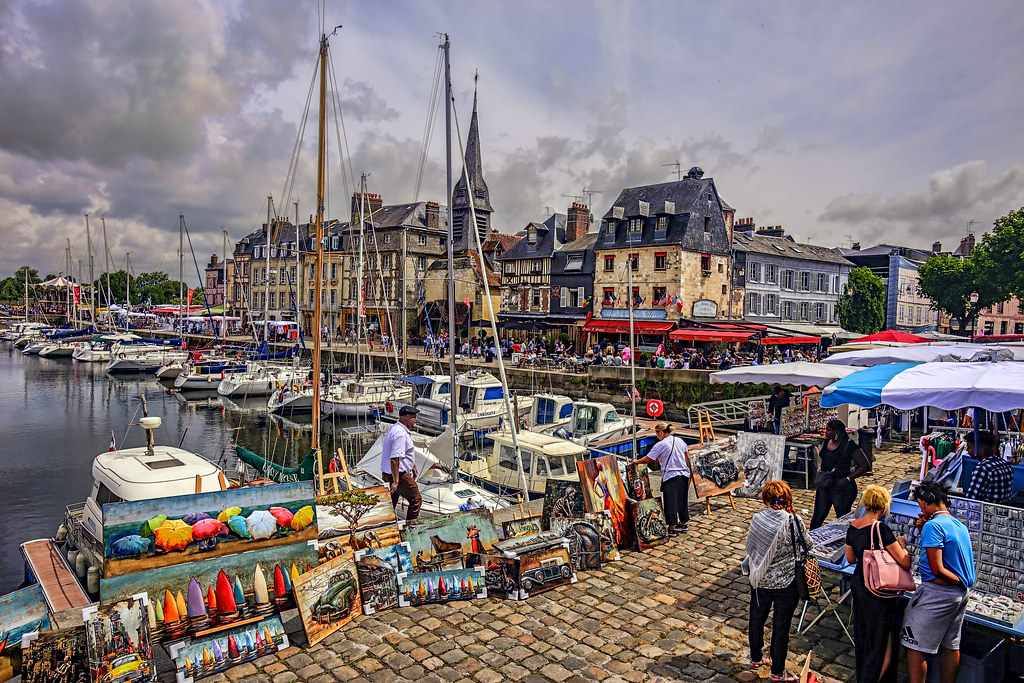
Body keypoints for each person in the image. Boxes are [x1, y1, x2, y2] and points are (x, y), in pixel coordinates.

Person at [901, 481, 975, 683]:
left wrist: (959, 580)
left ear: (926, 502)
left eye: (920, 505)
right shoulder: (959, 525)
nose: (921, 509)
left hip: (938, 593)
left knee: (914, 645)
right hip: (959, 595)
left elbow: (937, 569)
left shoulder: (933, 526)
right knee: (951, 645)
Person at [743, 481, 812, 682]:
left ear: (765, 498)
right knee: (781, 626)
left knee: (757, 619)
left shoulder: (758, 519)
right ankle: (777, 670)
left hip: (760, 579)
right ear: (787, 499)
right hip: (786, 582)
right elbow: (808, 545)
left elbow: (750, 545)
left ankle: (756, 657)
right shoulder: (794, 521)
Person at [845, 485, 911, 683]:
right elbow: (904, 562)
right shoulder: (881, 529)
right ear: (883, 507)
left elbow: (851, 558)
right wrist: (902, 544)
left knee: (865, 636)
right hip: (879, 591)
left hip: (860, 585)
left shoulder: (853, 526)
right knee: (883, 641)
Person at [810, 418, 871, 529]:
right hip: (825, 484)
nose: (826, 432)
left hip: (841, 487)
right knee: (818, 515)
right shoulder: (826, 442)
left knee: (842, 517)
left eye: (828, 430)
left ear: (837, 432)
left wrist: (848, 478)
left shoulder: (849, 446)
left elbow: (865, 466)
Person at [632, 422, 690, 534]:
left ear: (660, 432)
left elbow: (648, 458)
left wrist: (637, 461)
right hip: (684, 474)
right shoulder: (680, 441)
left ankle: (672, 528)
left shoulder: (661, 444)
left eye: (657, 434)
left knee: (670, 502)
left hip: (671, 475)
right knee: (682, 500)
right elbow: (687, 457)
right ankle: (683, 524)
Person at [380, 406, 423, 520]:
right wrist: (396, 481)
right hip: (398, 474)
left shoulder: (395, 429)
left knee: (392, 501)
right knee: (416, 500)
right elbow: (394, 459)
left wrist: (412, 466)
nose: (416, 420)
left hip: (391, 473)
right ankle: (410, 527)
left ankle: (387, 523)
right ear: (407, 417)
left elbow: (404, 453)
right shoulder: (400, 433)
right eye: (414, 417)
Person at [963, 432, 1014, 503]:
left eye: (969, 447)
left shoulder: (983, 468)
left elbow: (971, 499)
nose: (967, 450)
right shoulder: (1004, 463)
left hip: (988, 508)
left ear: (981, 450)